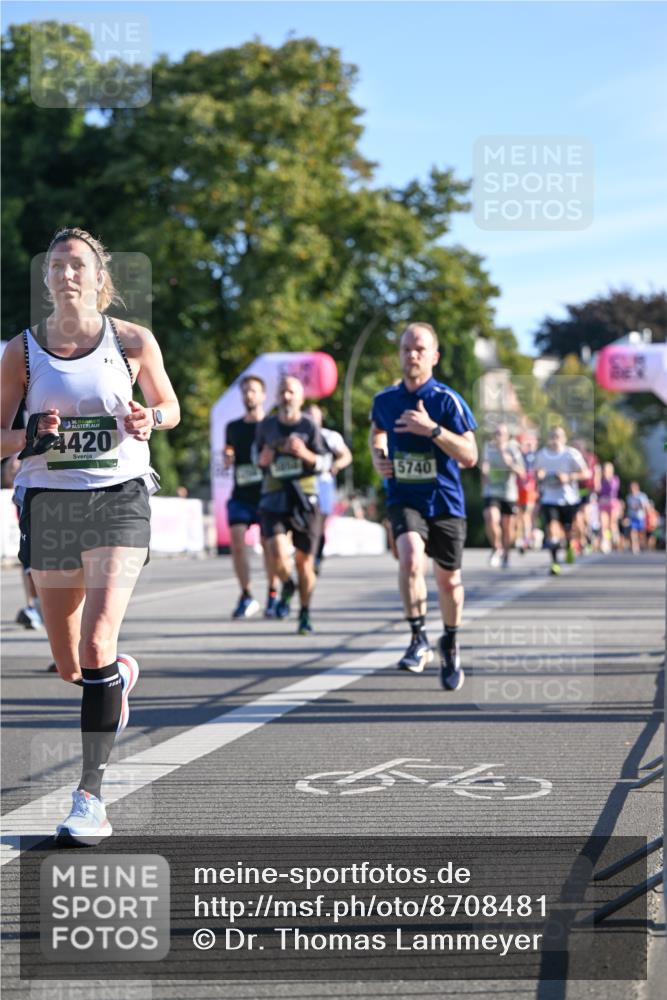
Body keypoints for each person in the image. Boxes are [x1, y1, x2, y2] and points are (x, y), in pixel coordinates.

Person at [0, 227, 179, 843]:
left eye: (78, 264)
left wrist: (148, 417)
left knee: (98, 643)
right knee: (71, 664)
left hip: (118, 498)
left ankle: (90, 797)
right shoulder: (21, 352)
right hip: (49, 502)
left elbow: (170, 407)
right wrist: (31, 436)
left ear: (101, 279)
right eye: (56, 265)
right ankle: (116, 678)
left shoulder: (132, 341)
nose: (66, 273)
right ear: (45, 279)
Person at [369, 322, 478, 690]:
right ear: (399, 355)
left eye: (419, 349)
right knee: (411, 558)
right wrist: (378, 457)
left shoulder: (447, 401)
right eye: (406, 349)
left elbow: (470, 455)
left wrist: (431, 429)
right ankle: (418, 638)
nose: (412, 355)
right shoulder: (385, 400)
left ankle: (450, 641)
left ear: (434, 356)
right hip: (404, 497)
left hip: (445, 502)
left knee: (448, 583)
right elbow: (377, 431)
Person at [256, 375, 326, 635]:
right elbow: (257, 457)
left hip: (304, 498)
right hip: (274, 495)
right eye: (283, 391)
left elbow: (323, 463)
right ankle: (286, 584)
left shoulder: (309, 426)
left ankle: (305, 612)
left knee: (304, 563)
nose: (287, 396)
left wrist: (304, 453)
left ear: (301, 397)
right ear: (277, 397)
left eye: (292, 392)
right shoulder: (267, 425)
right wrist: (263, 458)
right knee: (274, 550)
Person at [224, 375, 279, 618]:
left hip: (267, 493)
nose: (249, 395)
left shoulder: (272, 425)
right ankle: (246, 595)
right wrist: (227, 455)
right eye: (245, 391)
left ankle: (273, 593)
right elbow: (229, 448)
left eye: (253, 391)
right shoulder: (233, 427)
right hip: (241, 494)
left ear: (263, 395)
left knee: (269, 546)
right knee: (237, 542)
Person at [303, 402, 352, 575]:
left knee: (319, 522)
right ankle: (306, 554)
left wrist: (336, 465)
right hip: (302, 484)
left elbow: (346, 456)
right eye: (308, 416)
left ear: (320, 418)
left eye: (315, 416)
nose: (312, 420)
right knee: (305, 522)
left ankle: (316, 556)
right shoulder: (299, 435)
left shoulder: (330, 436)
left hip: (322, 483)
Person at [534, 427, 589, 575]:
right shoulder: (542, 455)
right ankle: (554, 562)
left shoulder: (571, 454)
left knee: (570, 530)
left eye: (558, 436)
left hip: (569, 499)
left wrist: (568, 477)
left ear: (564, 439)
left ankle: (571, 545)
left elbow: (586, 473)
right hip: (549, 498)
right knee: (552, 529)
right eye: (552, 436)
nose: (555, 439)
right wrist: (539, 475)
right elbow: (535, 473)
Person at [481, 423, 524, 568]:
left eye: (501, 434)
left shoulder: (513, 449)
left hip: (509, 492)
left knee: (508, 527)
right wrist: (484, 471)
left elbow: (522, 472)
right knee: (491, 518)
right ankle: (496, 547)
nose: (498, 436)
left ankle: (506, 554)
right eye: (496, 433)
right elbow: (484, 464)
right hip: (491, 491)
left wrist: (510, 463)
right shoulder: (488, 448)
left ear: (507, 436)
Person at [516, 432, 539, 552]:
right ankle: (526, 537)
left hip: (531, 489)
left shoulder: (536, 456)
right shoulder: (520, 456)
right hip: (519, 489)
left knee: (528, 514)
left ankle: (528, 538)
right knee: (521, 515)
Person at [598, 461, 621, 552]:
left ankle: (615, 539)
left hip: (612, 503)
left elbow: (613, 489)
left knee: (612, 524)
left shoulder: (615, 479)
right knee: (604, 524)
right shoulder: (600, 479)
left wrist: (608, 479)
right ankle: (605, 542)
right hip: (603, 502)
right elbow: (598, 489)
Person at [625, 481, 650, 554]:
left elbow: (645, 506)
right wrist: (626, 516)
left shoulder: (642, 496)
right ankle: (634, 546)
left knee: (641, 533)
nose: (632, 489)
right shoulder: (629, 497)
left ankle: (641, 544)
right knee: (633, 531)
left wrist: (639, 506)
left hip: (640, 517)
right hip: (632, 517)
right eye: (631, 487)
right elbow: (628, 507)